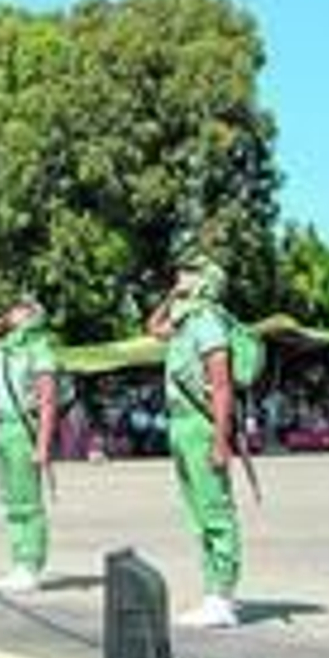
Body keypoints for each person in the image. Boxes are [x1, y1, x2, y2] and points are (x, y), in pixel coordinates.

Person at [147, 251, 243, 629]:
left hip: (202, 426)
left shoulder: (208, 322)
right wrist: (173, 294)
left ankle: (223, 596)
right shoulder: (185, 321)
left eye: (189, 272)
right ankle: (211, 592)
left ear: (206, 280)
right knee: (197, 512)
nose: (180, 274)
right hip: (180, 424)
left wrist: (222, 440)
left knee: (216, 511)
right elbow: (152, 327)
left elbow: (221, 386)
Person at [0, 295, 57, 593]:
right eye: (13, 308)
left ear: (34, 316)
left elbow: (48, 401)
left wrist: (43, 446)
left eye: (20, 309)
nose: (13, 312)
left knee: (28, 501)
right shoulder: (6, 349)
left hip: (22, 429)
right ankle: (18, 561)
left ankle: (31, 564)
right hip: (1, 427)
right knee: (10, 500)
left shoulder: (39, 348)